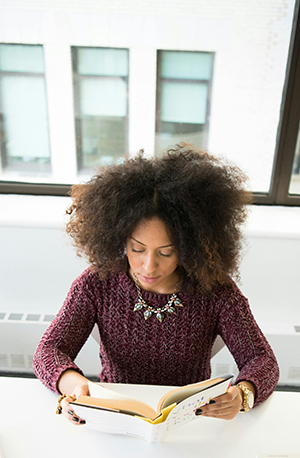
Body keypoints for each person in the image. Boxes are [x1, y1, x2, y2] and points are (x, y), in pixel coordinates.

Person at [33, 143, 279, 426]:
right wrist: (73, 385)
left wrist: (242, 394)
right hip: (115, 417)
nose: (149, 266)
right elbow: (49, 350)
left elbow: (262, 360)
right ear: (119, 238)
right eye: (137, 249)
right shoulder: (96, 284)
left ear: (190, 247)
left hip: (189, 421)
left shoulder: (215, 291)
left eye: (165, 252)